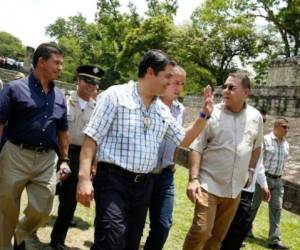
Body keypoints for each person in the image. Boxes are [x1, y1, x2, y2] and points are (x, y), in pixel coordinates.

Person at [76, 49, 213, 250]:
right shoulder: (116, 95)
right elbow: (91, 138)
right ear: (150, 72)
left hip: (143, 186)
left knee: (131, 242)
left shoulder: (161, 110)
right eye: (167, 76)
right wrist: (83, 178)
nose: (169, 82)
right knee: (112, 237)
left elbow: (182, 139)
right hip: (112, 181)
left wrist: (203, 116)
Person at [0, 43, 70, 250]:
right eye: (56, 63)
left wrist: (65, 160)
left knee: (43, 208)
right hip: (15, 155)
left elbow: (63, 131)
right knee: (6, 210)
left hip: (47, 160)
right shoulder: (14, 88)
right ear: (41, 62)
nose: (60, 68)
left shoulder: (59, 96)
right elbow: (1, 122)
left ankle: (19, 234)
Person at [183, 72, 264, 250]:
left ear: (246, 92)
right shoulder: (212, 113)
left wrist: (251, 170)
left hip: (234, 189)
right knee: (201, 231)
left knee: (216, 240)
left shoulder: (255, 117)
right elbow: (196, 146)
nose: (225, 91)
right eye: (225, 86)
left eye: (232, 87)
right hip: (208, 184)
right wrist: (193, 179)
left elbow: (256, 147)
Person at [50, 65, 104, 250]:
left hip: (83, 155)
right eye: (88, 80)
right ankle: (32, 224)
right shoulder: (63, 101)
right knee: (47, 192)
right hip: (59, 152)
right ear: (78, 81)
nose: (91, 85)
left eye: (95, 82)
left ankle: (57, 239)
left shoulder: (97, 108)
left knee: (69, 201)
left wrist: (94, 163)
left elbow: (99, 139)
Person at [144, 65, 186, 250]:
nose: (179, 88)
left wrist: (173, 163)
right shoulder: (149, 104)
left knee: (163, 225)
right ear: (166, 80)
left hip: (166, 175)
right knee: (132, 223)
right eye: (176, 82)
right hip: (144, 173)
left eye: (182, 84)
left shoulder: (180, 110)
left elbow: (179, 141)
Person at [221, 109, 270, 250]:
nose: (262, 124)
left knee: (242, 226)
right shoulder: (242, 137)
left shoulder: (259, 142)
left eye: (264, 121)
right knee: (232, 226)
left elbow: (259, 165)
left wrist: (264, 185)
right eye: (260, 121)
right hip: (236, 189)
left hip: (249, 190)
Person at [250, 118, 290, 250]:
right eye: (284, 127)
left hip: (278, 180)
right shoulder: (265, 140)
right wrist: (260, 181)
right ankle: (245, 230)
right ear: (277, 126)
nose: (286, 130)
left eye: (287, 127)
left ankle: (274, 240)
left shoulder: (286, 144)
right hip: (262, 178)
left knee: (276, 209)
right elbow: (258, 161)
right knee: (253, 206)